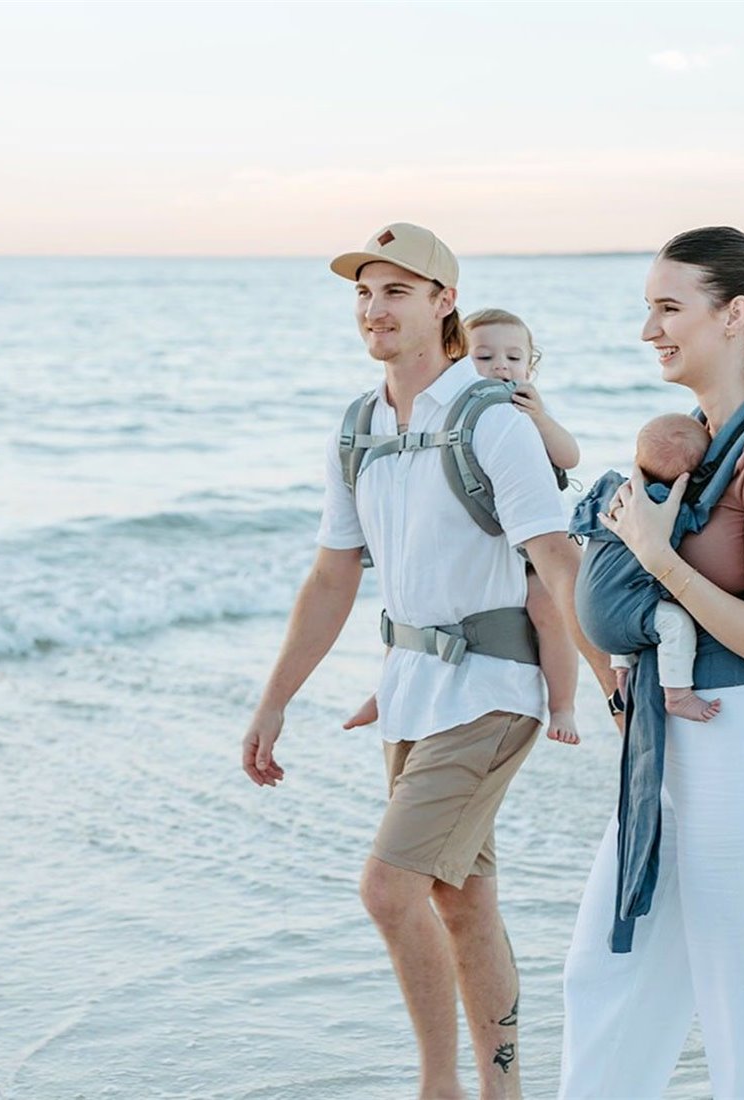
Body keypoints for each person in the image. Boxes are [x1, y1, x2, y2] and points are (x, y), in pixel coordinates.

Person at [240, 223, 611, 1100]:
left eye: (397, 291)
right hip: (411, 693)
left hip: (492, 689)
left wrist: (605, 672)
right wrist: (274, 702)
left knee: (387, 888)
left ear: (445, 301)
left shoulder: (494, 422)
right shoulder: (358, 427)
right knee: (460, 900)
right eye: (364, 293)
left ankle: (437, 1088)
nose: (375, 309)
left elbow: (557, 560)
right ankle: (502, 1092)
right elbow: (334, 575)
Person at [559, 226, 744, 1100]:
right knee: (607, 975)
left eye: (667, 307)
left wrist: (656, 557)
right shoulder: (692, 437)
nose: (649, 328)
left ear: (734, 315)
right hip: (668, 747)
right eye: (646, 307)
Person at [344, 306, 584, 744]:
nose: (500, 367)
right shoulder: (454, 412)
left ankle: (562, 704)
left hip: (531, 549)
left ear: (530, 366)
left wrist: (541, 419)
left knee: (548, 611)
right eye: (484, 356)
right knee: (412, 602)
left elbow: (569, 457)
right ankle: (386, 690)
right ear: (456, 358)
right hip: (474, 541)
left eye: (513, 358)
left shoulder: (521, 411)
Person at [606, 412, 722, 723]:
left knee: (626, 597)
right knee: (676, 623)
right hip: (627, 610)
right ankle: (678, 695)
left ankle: (620, 671)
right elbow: (692, 526)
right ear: (690, 477)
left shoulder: (619, 495)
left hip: (602, 606)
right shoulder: (664, 505)